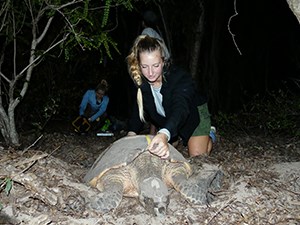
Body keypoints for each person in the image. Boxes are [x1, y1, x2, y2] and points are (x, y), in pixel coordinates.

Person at [126, 35, 216, 158]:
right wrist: (131, 134)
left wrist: (164, 134)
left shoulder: (180, 78)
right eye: (145, 66)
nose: (150, 72)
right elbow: (138, 108)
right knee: (160, 154)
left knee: (197, 156)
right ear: (139, 65)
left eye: (156, 65)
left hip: (193, 115)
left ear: (163, 61)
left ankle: (209, 135)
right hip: (169, 118)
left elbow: (180, 108)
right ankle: (174, 136)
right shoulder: (141, 81)